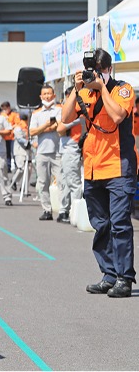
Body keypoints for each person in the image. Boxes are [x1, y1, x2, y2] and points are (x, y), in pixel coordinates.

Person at [62, 48, 136, 298]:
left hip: (118, 167)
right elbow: (64, 118)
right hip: (93, 168)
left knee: (120, 225)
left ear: (108, 70)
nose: (94, 74)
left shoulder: (122, 89)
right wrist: (76, 88)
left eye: (98, 69)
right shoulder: (84, 92)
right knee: (100, 224)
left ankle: (125, 278)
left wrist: (102, 86)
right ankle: (109, 274)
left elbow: (116, 116)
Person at [29, 85, 62, 221]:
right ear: (41, 97)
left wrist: (42, 129)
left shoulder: (60, 109)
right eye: (45, 94)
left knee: (61, 181)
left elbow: (60, 125)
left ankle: (63, 210)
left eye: (49, 94)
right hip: (42, 152)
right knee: (43, 182)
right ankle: (46, 210)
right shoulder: (36, 113)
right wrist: (47, 125)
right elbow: (32, 131)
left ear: (54, 96)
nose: (47, 96)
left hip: (58, 151)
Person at [56, 86, 84, 223]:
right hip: (65, 148)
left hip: (72, 148)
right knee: (65, 181)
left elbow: (60, 128)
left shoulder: (78, 112)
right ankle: (64, 210)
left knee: (74, 183)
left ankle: (75, 214)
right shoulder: (69, 111)